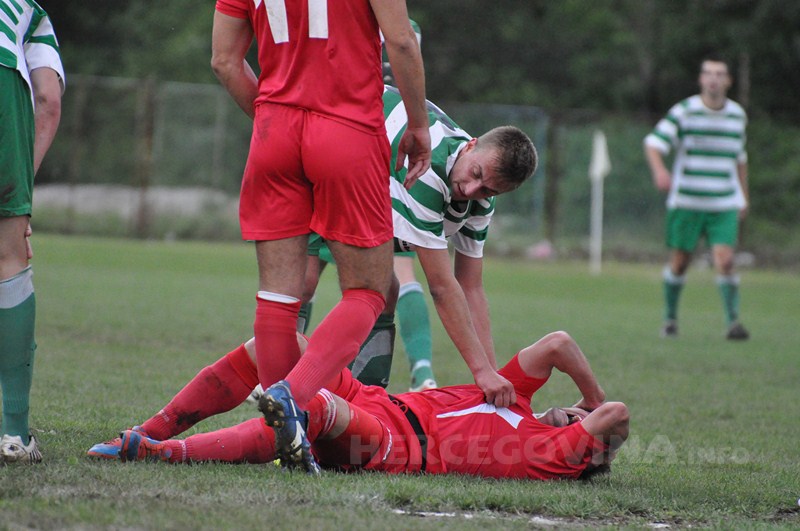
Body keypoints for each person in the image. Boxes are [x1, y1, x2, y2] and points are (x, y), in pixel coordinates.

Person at [210, 0, 431, 469]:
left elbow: (224, 61)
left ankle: (284, 438)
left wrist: (272, 116)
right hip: (347, 129)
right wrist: (418, 125)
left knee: (278, 296)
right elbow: (401, 42)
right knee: (369, 290)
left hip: (276, 129)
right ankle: (292, 396)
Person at [88, 331, 629, 481]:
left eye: (582, 425)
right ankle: (148, 430)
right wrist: (589, 398)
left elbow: (617, 416)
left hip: (394, 446)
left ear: (586, 452)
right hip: (377, 401)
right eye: (578, 413)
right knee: (272, 346)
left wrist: (594, 418)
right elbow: (558, 344)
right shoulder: (519, 400)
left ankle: (163, 453)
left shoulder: (549, 454)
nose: (577, 416)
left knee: (315, 407)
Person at [644, 56, 750, 341]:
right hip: (687, 202)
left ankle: (733, 323)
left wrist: (744, 196)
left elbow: (740, 159)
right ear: (701, 79)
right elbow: (653, 143)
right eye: (708, 73)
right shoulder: (685, 112)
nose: (713, 78)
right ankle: (670, 319)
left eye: (719, 74)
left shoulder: (737, 115)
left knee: (725, 260)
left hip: (723, 203)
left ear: (728, 81)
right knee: (680, 262)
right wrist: (660, 170)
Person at [0, 0, 64, 464]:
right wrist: (19, 197)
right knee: (8, 258)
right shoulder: (31, 10)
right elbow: (48, 100)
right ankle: (14, 433)